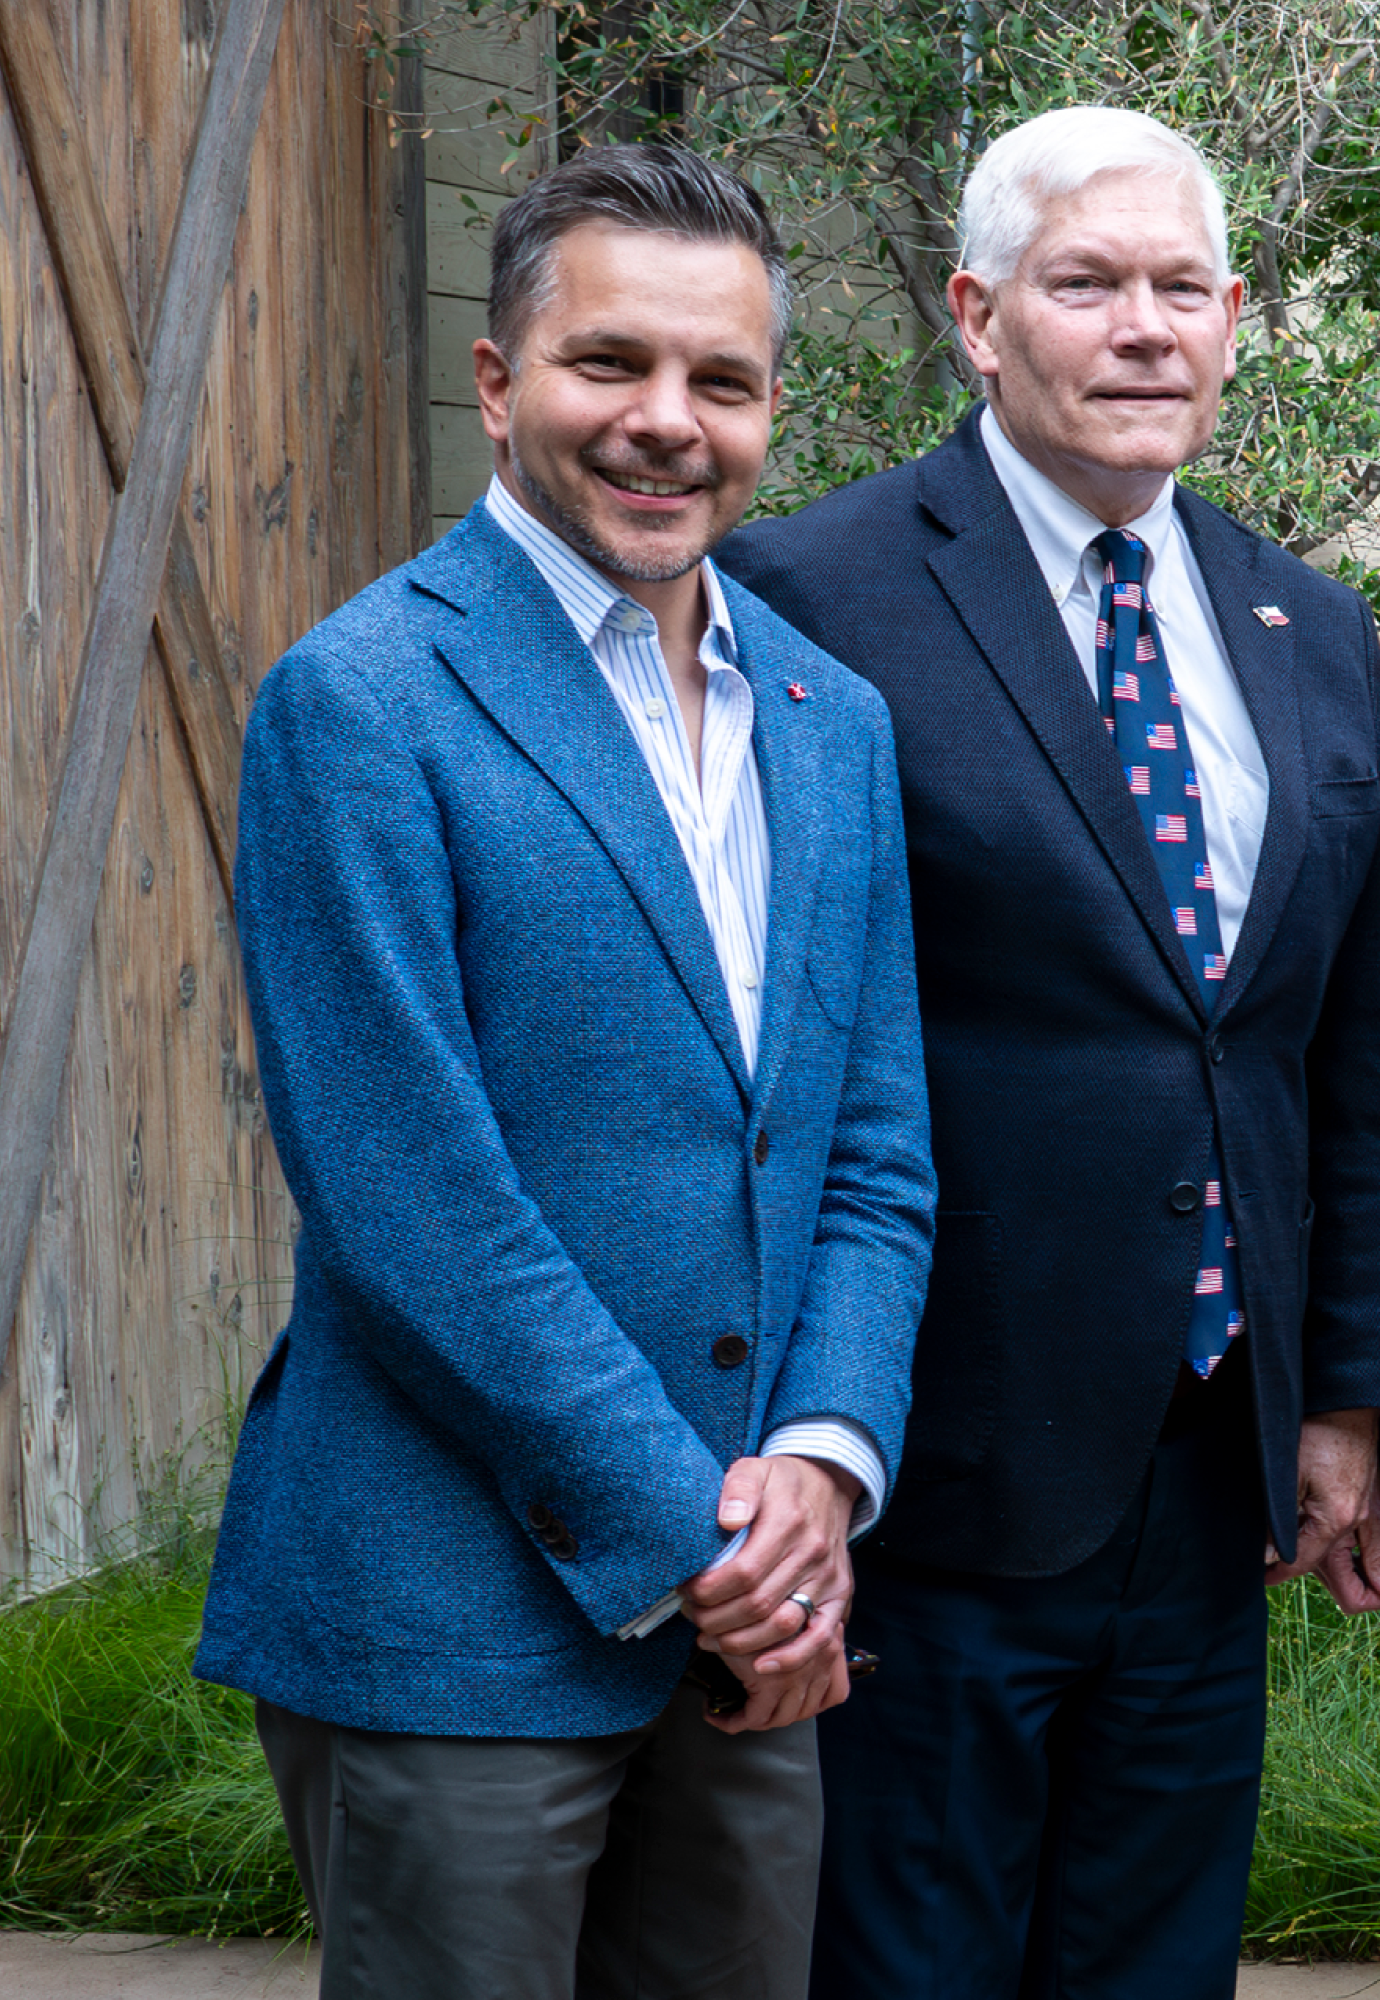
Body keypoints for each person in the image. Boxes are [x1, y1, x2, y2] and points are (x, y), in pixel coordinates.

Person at [200, 141, 930, 1997]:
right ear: (498, 379)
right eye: (613, 363)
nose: (667, 422)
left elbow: (869, 1151)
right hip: (459, 1612)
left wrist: (824, 1477)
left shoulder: (830, 724)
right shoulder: (363, 702)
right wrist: (698, 1536)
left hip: (757, 1621)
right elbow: (409, 1196)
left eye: (725, 381)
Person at [716, 106, 1380, 1997]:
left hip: (1209, 1459)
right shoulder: (811, 598)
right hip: (935, 1450)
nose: (1142, 329)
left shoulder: (1308, 627)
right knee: (917, 1961)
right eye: (1087, 283)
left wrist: (1337, 1398)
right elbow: (768, 1049)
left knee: (1155, 1959)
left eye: (1182, 288)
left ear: (1235, 317)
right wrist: (791, 1425)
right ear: (977, 314)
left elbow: (1340, 1044)